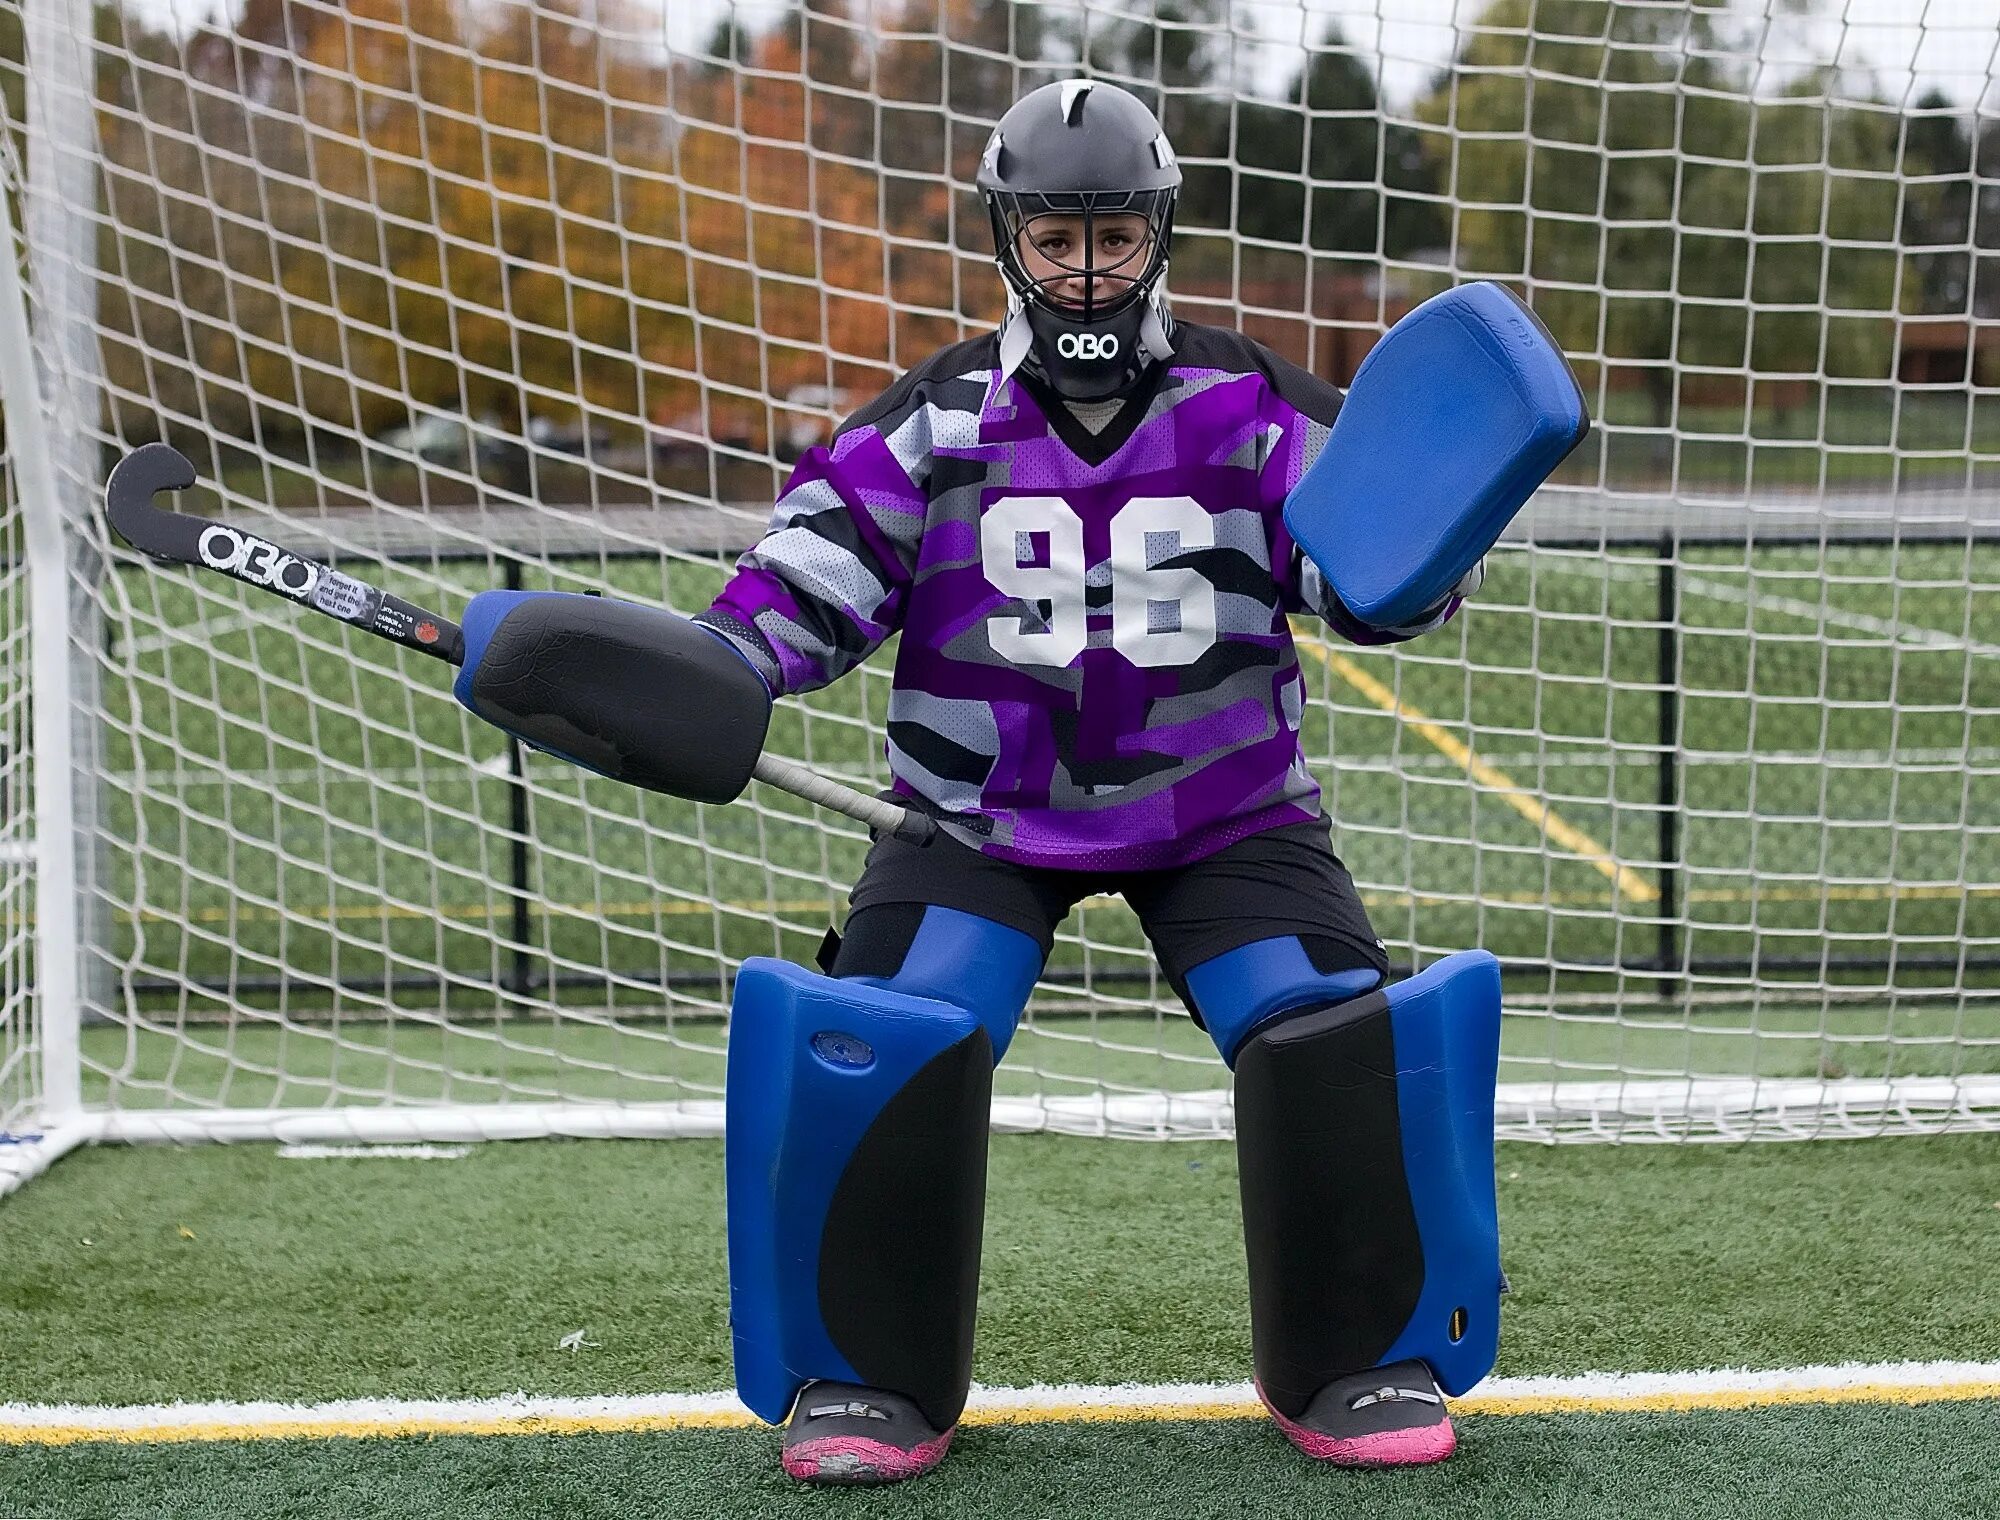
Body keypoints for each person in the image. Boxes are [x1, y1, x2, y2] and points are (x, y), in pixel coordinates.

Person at [696, 78, 1498, 1486]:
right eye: (1056, 238)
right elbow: (802, 585)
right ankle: (869, 1372)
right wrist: (717, 660)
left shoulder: (1252, 403)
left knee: (1328, 1031)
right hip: (978, 824)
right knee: (898, 1031)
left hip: (1226, 816)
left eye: (1112, 238)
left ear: (1157, 234)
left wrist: (1423, 557)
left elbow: (1367, 581)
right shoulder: (936, 417)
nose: (1084, 267)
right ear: (1007, 236)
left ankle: (1358, 1347)